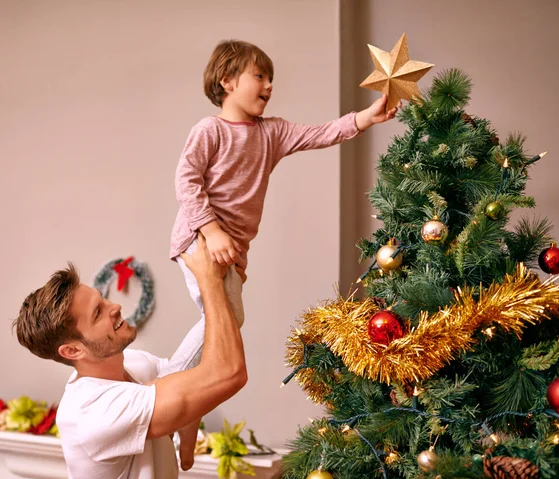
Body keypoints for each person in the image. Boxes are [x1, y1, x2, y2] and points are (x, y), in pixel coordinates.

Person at [171, 39, 400, 330]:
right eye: (259, 76)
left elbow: (321, 133)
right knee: (223, 325)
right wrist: (211, 231)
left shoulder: (272, 132)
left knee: (228, 324)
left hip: (235, 248)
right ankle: (171, 376)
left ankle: (180, 375)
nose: (269, 85)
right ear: (227, 81)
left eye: (271, 79)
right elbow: (186, 180)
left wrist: (366, 117)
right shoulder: (210, 129)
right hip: (202, 238)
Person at [13, 235, 245, 478]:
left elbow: (204, 362)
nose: (115, 307)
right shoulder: (92, 412)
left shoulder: (135, 362)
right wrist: (209, 282)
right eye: (97, 313)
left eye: (102, 299)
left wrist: (228, 284)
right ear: (73, 350)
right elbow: (228, 373)